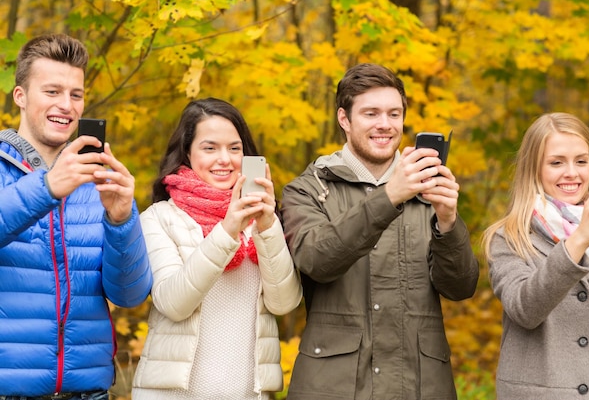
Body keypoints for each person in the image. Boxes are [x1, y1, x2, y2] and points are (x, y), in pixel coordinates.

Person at [280, 63, 479, 399]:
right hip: (334, 388)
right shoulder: (307, 190)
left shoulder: (430, 189)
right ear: (344, 119)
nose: (384, 125)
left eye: (394, 113)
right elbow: (317, 260)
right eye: (371, 113)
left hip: (420, 386)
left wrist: (448, 222)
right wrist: (390, 196)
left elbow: (461, 287)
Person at [0, 33, 152, 399]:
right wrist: (48, 187)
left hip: (88, 392)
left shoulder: (96, 182)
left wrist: (121, 221)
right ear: (20, 96)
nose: (66, 105)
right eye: (52, 92)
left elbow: (130, 295)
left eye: (76, 94)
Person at [131, 97, 303, 399]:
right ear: (187, 152)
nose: (224, 159)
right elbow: (173, 302)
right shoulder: (159, 218)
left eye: (234, 148)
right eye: (210, 148)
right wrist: (227, 230)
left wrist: (267, 226)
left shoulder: (262, 222)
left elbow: (284, 303)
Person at [482, 112, 589, 399]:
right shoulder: (508, 237)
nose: (572, 172)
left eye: (581, 161)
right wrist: (580, 240)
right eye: (556, 162)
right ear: (534, 170)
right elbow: (525, 309)